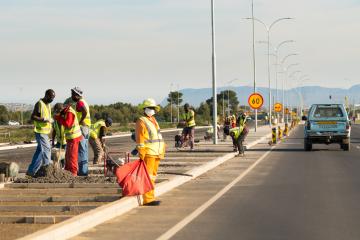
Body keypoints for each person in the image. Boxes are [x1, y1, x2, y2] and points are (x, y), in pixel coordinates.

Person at [135, 98, 165, 206]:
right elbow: (140, 138)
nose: (152, 110)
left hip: (156, 152)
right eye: (151, 108)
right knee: (148, 177)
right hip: (149, 153)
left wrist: (162, 148)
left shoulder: (153, 120)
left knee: (152, 177)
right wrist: (142, 151)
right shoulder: (141, 121)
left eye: (153, 108)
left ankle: (151, 197)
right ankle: (147, 199)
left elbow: (157, 136)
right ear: (145, 109)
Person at [26, 89, 55, 177]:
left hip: (45, 132)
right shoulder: (39, 104)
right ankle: (48, 169)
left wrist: (51, 120)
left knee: (39, 151)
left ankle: (31, 171)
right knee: (47, 149)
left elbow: (48, 116)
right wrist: (44, 119)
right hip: (40, 131)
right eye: (50, 97)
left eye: (53, 98)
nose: (52, 99)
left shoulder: (48, 105)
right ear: (46, 95)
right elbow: (33, 116)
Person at [54, 104, 83, 176]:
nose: (60, 114)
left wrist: (58, 118)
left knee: (72, 156)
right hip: (70, 138)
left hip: (74, 137)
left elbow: (68, 124)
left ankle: (73, 173)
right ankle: (67, 171)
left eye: (59, 113)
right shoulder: (66, 112)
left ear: (61, 110)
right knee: (68, 156)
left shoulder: (70, 112)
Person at [71, 87, 91, 176]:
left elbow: (85, 112)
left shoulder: (80, 102)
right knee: (84, 150)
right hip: (86, 128)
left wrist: (80, 121)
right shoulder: (84, 101)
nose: (71, 96)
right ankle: (84, 170)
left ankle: (82, 172)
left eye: (72, 94)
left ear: (77, 95)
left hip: (82, 127)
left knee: (81, 149)